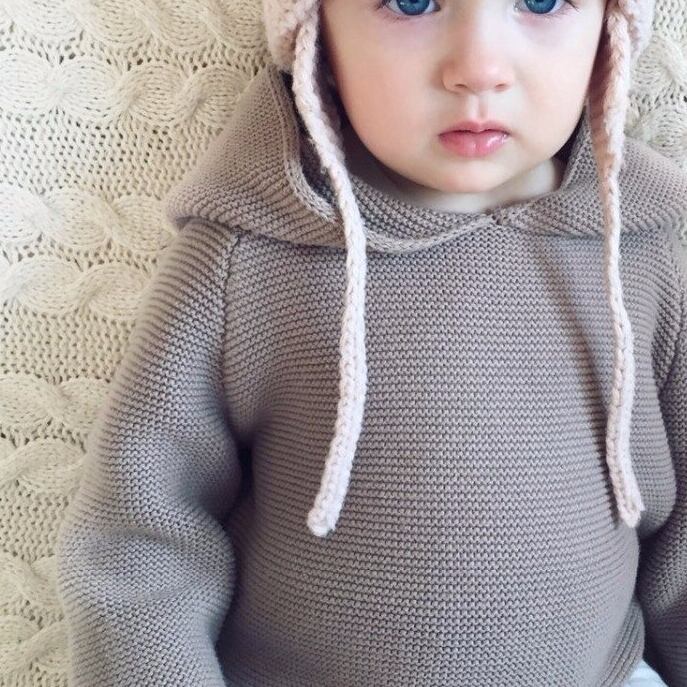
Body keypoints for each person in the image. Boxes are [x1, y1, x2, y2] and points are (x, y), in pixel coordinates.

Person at [54, 0, 687, 685]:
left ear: (609, 30)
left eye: (541, 2)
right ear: (317, 32)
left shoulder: (644, 252)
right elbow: (140, 537)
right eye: (410, 2)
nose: (478, 68)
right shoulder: (244, 257)